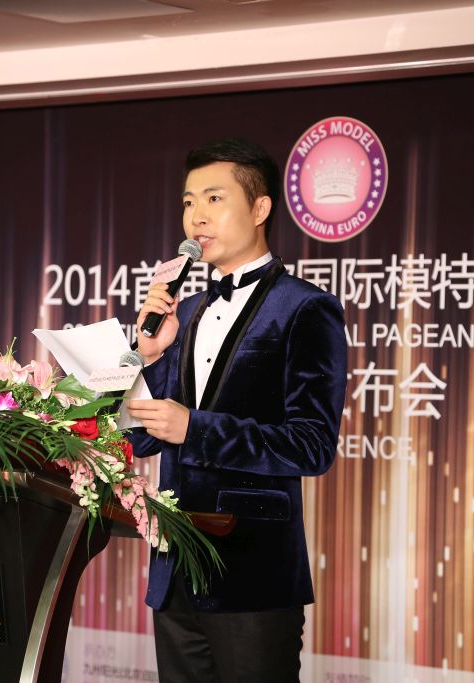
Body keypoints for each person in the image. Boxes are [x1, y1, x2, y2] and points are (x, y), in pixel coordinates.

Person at [126, 138, 347, 682]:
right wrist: (149, 357)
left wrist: (195, 428)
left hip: (253, 574)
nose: (196, 216)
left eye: (214, 198)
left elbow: (312, 445)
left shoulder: (305, 308)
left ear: (260, 207)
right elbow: (144, 438)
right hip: (176, 573)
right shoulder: (185, 311)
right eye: (188, 202)